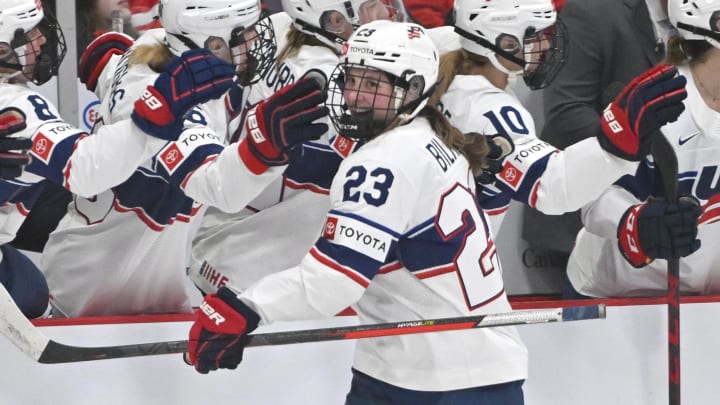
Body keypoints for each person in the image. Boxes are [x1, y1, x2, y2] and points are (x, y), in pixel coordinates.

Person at [188, 20, 529, 403]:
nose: (355, 96)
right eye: (352, 80)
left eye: (373, 85)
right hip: (413, 369)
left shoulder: (386, 160)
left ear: (414, 89)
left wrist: (245, 308)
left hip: (447, 383)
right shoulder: (430, 137)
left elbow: (334, 281)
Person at [40, 0, 329, 317]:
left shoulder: (156, 47)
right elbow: (220, 189)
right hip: (96, 291)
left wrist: (109, 57)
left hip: (132, 279)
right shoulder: (178, 112)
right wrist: (265, 146)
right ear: (212, 42)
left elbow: (113, 68)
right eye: (245, 33)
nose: (257, 41)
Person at [0, 0, 236, 317]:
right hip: (94, 272)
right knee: (28, 297)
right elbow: (85, 169)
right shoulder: (15, 106)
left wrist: (116, 72)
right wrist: (154, 113)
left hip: (70, 261)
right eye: (28, 32)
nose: (41, 39)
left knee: (31, 290)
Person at [189, 0, 406, 296]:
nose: (386, 13)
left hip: (219, 235)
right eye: (373, 5)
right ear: (334, 20)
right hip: (259, 269)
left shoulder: (279, 28)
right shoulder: (344, 86)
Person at [428, 0, 687, 244]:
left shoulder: (439, 57)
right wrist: (619, 138)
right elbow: (551, 188)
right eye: (535, 36)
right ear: (505, 42)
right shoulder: (493, 111)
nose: (546, 46)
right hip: (447, 266)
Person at [564, 0, 718, 298]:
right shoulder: (655, 101)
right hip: (619, 294)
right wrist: (634, 221)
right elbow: (594, 195)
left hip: (705, 297)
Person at [522, 0, 673, 264]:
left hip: (685, 223)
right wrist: (646, 162)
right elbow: (567, 111)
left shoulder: (705, 20)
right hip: (592, 226)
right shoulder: (591, 10)